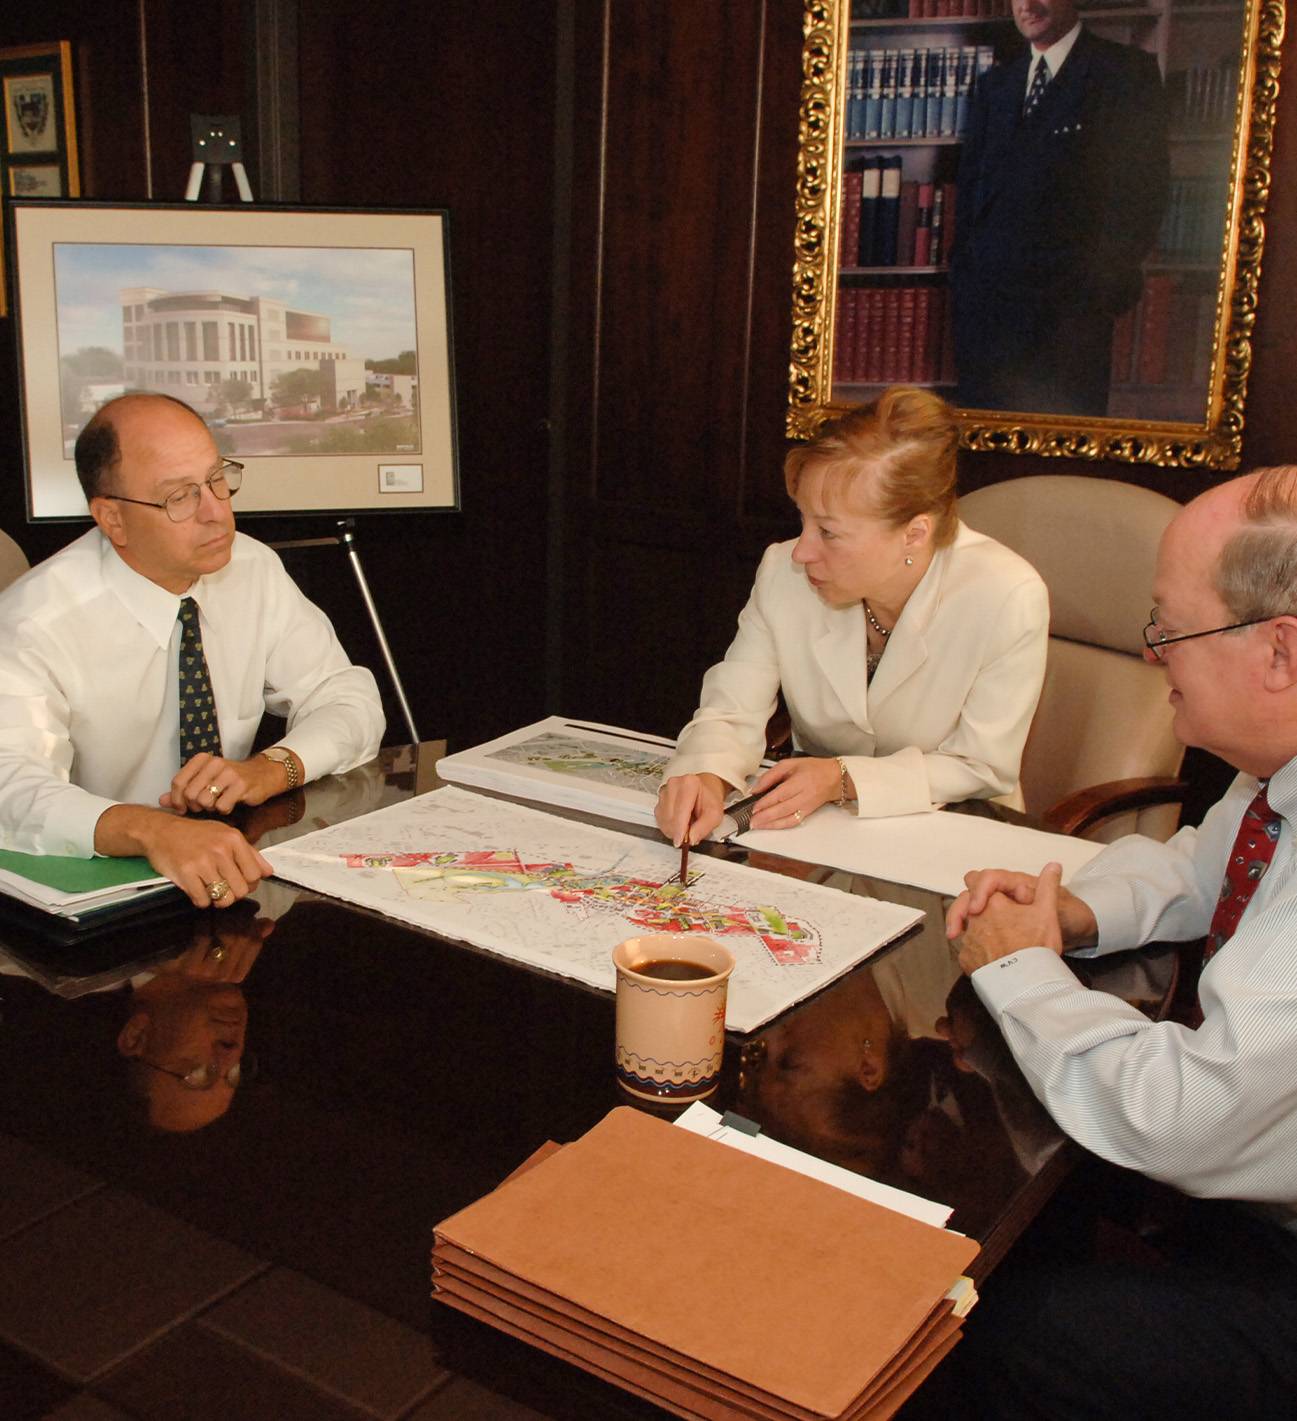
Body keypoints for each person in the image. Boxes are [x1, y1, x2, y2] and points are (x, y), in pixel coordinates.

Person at [942, 467, 1297, 1417]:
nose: (1151, 656)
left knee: (997, 1324)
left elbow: (1173, 1114)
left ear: (1278, 652)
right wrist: (1071, 911)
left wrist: (1018, 968)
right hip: (1248, 1191)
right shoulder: (1274, 776)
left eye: (1169, 626)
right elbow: (1198, 868)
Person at [0, 393, 384, 910]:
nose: (217, 513)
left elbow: (346, 695)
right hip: (101, 898)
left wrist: (273, 767)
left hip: (236, 877)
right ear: (112, 518)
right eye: (179, 497)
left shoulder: (251, 569)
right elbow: (10, 784)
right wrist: (149, 830)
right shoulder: (34, 622)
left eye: (217, 479)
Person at [655, 386, 1049, 848]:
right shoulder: (783, 572)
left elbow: (981, 765)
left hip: (961, 840)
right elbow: (732, 708)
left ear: (914, 534)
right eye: (802, 521)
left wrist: (843, 778)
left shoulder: (1007, 596)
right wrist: (704, 770)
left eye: (828, 532)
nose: (801, 552)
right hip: (817, 837)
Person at [951, 0, 1169, 416]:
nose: (1028, 6)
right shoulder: (995, 85)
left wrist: (1100, 291)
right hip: (989, 317)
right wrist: (965, 281)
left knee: (1064, 460)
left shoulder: (1124, 73)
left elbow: (1144, 192)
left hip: (1071, 318)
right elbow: (972, 195)